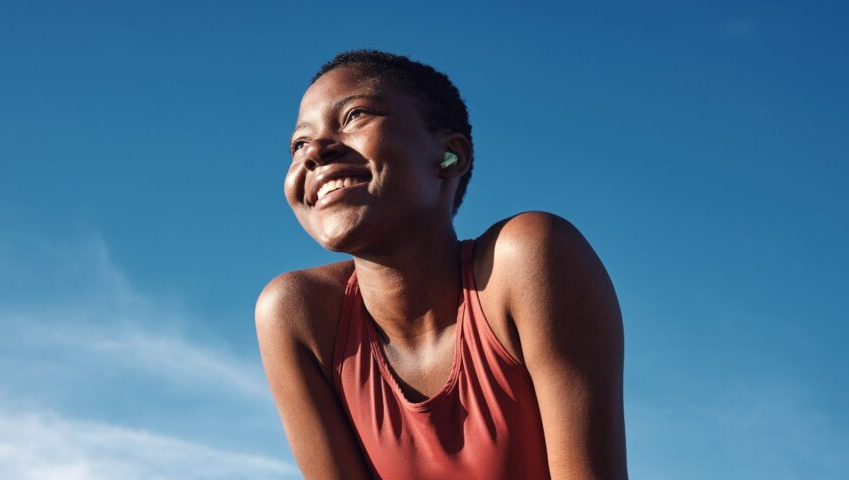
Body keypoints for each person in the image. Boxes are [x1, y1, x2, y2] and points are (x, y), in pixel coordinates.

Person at [255, 50, 627, 480]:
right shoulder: (298, 315)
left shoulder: (528, 259)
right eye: (298, 143)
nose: (314, 151)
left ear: (450, 156)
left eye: (355, 115)